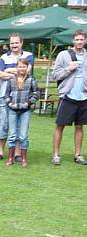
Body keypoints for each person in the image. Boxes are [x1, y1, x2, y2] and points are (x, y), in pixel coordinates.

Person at [0, 32, 33, 161]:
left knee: (19, 125)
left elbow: (27, 71)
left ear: (21, 43)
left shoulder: (28, 55)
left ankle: (17, 153)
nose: (14, 45)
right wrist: (14, 72)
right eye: (12, 43)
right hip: (4, 95)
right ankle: (0, 151)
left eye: (17, 42)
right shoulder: (4, 57)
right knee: (3, 123)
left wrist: (8, 70)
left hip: (22, 96)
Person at [52, 29, 87, 166]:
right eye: (77, 39)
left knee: (79, 126)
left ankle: (77, 155)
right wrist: (69, 68)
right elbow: (55, 75)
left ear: (85, 40)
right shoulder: (63, 55)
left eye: (82, 39)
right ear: (73, 40)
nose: (79, 42)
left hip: (83, 96)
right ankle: (55, 155)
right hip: (67, 95)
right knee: (60, 125)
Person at [4, 58, 38, 167]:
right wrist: (9, 103)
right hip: (13, 110)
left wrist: (29, 103)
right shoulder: (11, 80)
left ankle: (23, 158)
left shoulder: (31, 80)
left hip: (25, 110)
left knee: (23, 135)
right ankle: (10, 158)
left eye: (24, 66)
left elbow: (36, 93)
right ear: (17, 67)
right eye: (20, 66)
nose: (22, 68)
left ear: (27, 68)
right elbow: (6, 94)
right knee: (12, 135)